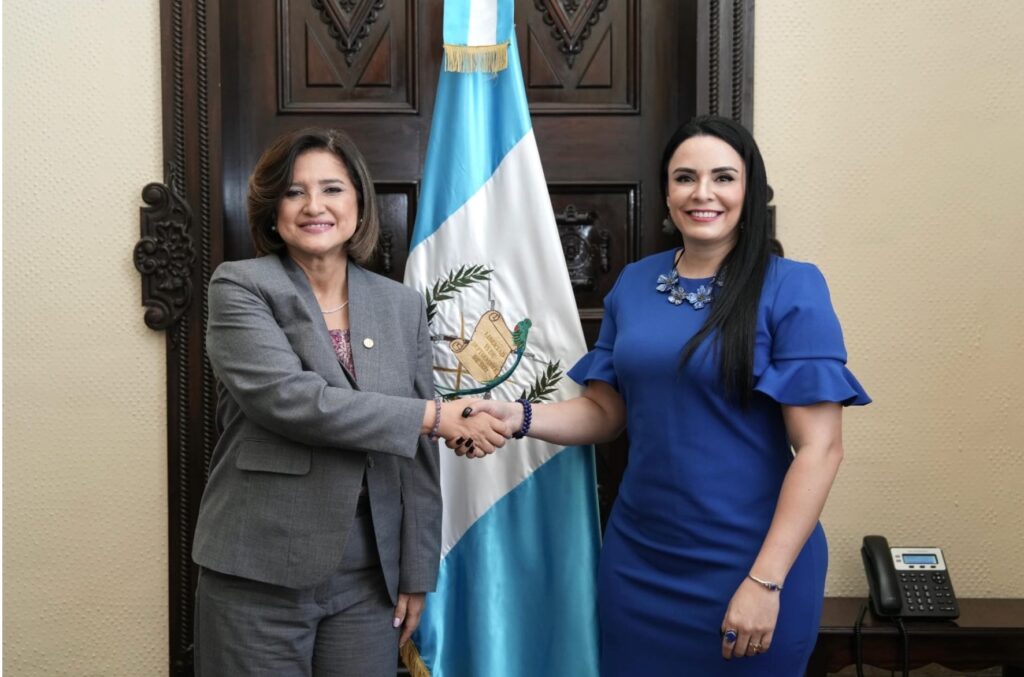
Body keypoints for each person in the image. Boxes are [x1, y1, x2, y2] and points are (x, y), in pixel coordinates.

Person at [464, 115, 870, 674]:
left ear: (749, 191)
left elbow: (821, 449)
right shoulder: (633, 282)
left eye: (723, 178)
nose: (703, 193)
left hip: (753, 562)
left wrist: (765, 581)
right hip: (640, 562)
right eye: (686, 178)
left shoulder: (791, 286)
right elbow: (606, 413)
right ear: (667, 192)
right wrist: (518, 416)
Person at [192, 127, 507, 677]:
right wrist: (437, 417)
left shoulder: (400, 304)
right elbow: (290, 401)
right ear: (272, 210)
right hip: (259, 572)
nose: (314, 206)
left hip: (369, 579)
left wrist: (415, 571)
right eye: (294, 192)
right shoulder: (240, 286)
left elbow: (418, 457)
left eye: (332, 189)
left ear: (359, 205)